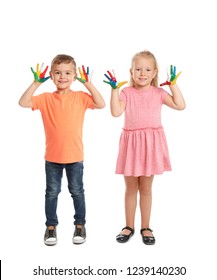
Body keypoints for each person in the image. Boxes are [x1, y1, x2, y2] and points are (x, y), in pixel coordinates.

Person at [19, 54, 105, 246]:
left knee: (77, 191)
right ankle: (51, 227)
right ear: (51, 75)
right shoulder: (45, 99)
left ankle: (80, 225)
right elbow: (23, 102)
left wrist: (88, 84)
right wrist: (35, 83)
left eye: (67, 73)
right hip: (52, 158)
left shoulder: (81, 97)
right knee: (51, 192)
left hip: (75, 157)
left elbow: (101, 104)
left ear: (74, 75)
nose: (62, 77)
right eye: (58, 73)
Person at [104, 50, 185, 245]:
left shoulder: (158, 93)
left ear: (155, 72)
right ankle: (129, 226)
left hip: (151, 145)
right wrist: (114, 90)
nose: (142, 73)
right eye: (138, 69)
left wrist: (173, 86)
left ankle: (145, 227)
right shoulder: (126, 92)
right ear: (131, 72)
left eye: (147, 69)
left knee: (146, 188)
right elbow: (116, 112)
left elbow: (180, 105)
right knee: (130, 188)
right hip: (131, 144)